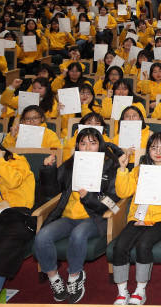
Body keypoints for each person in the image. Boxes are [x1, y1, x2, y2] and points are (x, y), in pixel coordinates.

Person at [34, 128, 123, 304]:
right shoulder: (70, 164)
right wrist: (48, 170)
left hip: (94, 217)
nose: (87, 147)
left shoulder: (110, 166)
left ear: (100, 145)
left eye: (92, 143)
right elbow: (51, 192)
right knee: (42, 236)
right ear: (77, 146)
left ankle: (75, 276)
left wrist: (89, 198)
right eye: (83, 143)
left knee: (78, 234)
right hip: (67, 217)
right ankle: (54, 278)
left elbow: (113, 203)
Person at [111, 132, 161, 305]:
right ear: (148, 150)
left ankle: (140, 289)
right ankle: (122, 292)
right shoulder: (139, 170)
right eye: (154, 148)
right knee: (120, 246)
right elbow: (123, 193)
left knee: (143, 244)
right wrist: (123, 170)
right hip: (138, 218)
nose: (158, 151)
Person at [0, 139, 36, 303]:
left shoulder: (17, 162)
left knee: (2, 248)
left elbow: (14, 181)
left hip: (18, 216)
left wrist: (1, 161)